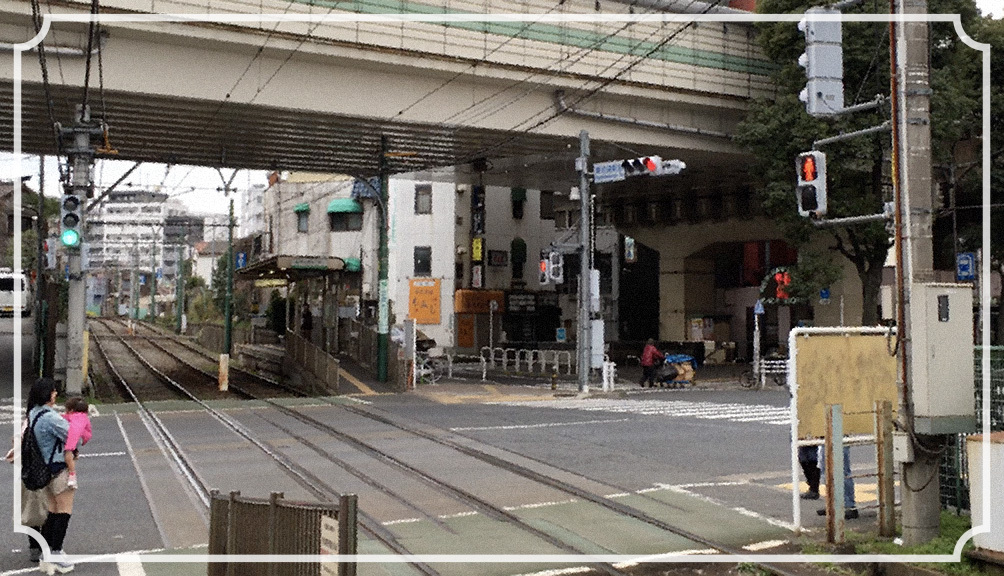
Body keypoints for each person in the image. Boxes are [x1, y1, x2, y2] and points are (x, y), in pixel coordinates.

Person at [26, 378, 76, 574]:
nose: (56, 394)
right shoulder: (50, 417)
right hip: (58, 467)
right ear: (47, 394)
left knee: (53, 510)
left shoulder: (33, 413)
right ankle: (56, 552)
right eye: (53, 391)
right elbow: (74, 437)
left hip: (44, 469)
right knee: (64, 510)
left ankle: (47, 554)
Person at [816, 444, 858, 520]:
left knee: (841, 470)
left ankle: (848, 505)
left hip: (838, 439)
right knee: (827, 470)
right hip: (826, 440)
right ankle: (833, 504)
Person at [62, 396, 92, 489]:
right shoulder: (84, 417)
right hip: (80, 437)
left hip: (74, 438)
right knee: (72, 454)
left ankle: (72, 474)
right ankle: (75, 455)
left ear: (71, 410)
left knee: (68, 454)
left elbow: (65, 421)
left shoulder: (73, 417)